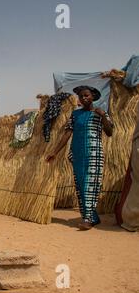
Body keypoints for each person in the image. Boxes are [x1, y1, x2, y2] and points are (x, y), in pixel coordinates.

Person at [46, 86, 114, 230]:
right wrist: (55, 151)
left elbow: (109, 132)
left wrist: (102, 116)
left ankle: (87, 219)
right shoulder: (75, 114)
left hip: (94, 154)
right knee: (80, 186)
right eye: (81, 96)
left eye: (86, 95)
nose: (83, 98)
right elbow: (67, 134)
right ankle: (93, 217)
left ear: (93, 96)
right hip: (77, 153)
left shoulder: (100, 113)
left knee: (91, 185)